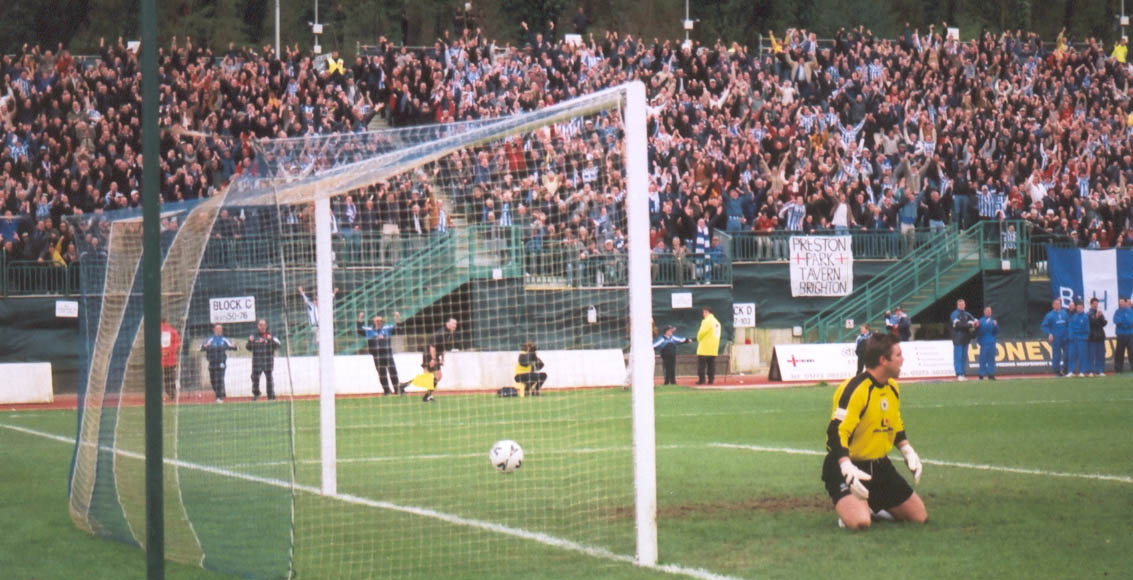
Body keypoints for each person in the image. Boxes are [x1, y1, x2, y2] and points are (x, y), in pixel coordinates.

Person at [822, 333, 927, 530]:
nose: (902, 360)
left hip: (880, 467)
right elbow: (836, 432)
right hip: (847, 466)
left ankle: (873, 505)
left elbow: (894, 424)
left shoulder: (893, 388)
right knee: (860, 523)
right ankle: (857, 510)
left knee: (919, 517)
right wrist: (846, 467)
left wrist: (907, 450)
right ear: (883, 360)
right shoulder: (855, 389)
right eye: (898, 355)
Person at [357, 310, 402, 395]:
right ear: (373, 321)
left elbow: (398, 329)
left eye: (380, 321)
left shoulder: (387, 328)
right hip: (376, 355)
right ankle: (387, 391)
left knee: (393, 372)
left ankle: (397, 390)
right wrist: (360, 318)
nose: (378, 322)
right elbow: (359, 329)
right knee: (382, 374)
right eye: (377, 321)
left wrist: (398, 317)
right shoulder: (369, 330)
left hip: (387, 354)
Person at [200, 323, 238, 402]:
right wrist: (205, 346)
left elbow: (234, 347)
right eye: (217, 329)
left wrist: (234, 346)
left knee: (219, 378)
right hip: (212, 362)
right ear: (214, 330)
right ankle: (219, 393)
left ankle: (219, 396)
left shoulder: (224, 339)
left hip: (221, 362)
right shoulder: (209, 339)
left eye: (220, 329)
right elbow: (201, 347)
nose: (219, 330)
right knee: (213, 380)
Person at [247, 319, 281, 400]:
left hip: (268, 360)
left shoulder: (271, 335)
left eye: (263, 325)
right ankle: (256, 393)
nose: (262, 327)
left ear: (266, 326)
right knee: (254, 378)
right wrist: (250, 341)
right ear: (258, 326)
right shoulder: (254, 336)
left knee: (269, 378)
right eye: (260, 325)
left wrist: (271, 339)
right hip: (257, 361)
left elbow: (277, 346)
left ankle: (271, 396)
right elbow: (248, 348)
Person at [1040, 299, 1070, 376]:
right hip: (1056, 338)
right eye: (1056, 304)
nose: (1057, 305)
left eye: (1059, 304)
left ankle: (1066, 369)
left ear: (1061, 305)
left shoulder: (1065, 313)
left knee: (1067, 354)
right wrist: (1049, 333)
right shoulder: (1049, 315)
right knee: (1057, 354)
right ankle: (1057, 370)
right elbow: (1044, 326)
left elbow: (1069, 324)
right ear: (1053, 305)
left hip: (1065, 337)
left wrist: (1069, 334)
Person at [949, 299, 978, 381]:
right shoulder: (955, 314)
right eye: (960, 304)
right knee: (958, 356)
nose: (962, 306)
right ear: (958, 305)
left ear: (965, 305)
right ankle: (958, 373)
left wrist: (972, 325)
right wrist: (968, 325)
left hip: (966, 338)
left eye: (963, 304)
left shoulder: (967, 314)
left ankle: (962, 373)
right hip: (958, 338)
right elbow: (957, 325)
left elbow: (975, 322)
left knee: (964, 356)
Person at [695, 307, 721, 385]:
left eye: (704, 313)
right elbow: (717, 335)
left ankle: (702, 380)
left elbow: (701, 333)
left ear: (707, 312)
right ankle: (711, 380)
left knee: (701, 365)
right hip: (713, 348)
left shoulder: (706, 321)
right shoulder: (717, 322)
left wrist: (698, 339)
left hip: (704, 347)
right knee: (711, 365)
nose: (703, 314)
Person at [160, 317, 182, 401]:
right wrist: (169, 351)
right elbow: (178, 344)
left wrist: (163, 352)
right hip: (171, 359)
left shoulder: (156, 331)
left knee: (163, 378)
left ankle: (166, 394)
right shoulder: (173, 331)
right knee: (171, 377)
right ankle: (172, 394)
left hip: (160, 359)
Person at [1086, 297, 1108, 376]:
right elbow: (1090, 324)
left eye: (1097, 304)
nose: (1096, 305)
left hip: (1100, 336)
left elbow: (1103, 324)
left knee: (1100, 354)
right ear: (1091, 304)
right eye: (1094, 304)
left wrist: (1103, 320)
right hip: (1092, 337)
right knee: (1091, 355)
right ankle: (1091, 371)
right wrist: (1096, 317)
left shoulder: (1099, 313)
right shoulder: (1088, 314)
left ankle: (1100, 370)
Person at [976, 307, 999, 380]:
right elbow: (978, 332)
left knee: (991, 359)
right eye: (987, 311)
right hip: (984, 342)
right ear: (984, 312)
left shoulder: (993, 321)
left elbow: (996, 332)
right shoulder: (981, 321)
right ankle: (981, 374)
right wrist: (980, 341)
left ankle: (991, 374)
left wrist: (995, 326)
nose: (989, 312)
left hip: (992, 342)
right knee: (983, 359)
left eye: (990, 311)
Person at [1067, 301, 1089, 377]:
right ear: (1076, 308)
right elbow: (1070, 327)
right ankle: (1071, 371)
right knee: (1071, 355)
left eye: (1081, 308)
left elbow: (1087, 329)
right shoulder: (1074, 316)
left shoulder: (1085, 317)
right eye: (1078, 308)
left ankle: (1082, 371)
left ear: (1083, 308)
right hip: (1073, 339)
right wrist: (1071, 336)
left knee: (1082, 355)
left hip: (1081, 339)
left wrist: (1084, 337)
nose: (1079, 309)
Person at [1113, 297, 1133, 373]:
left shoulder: (1130, 311)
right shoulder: (1117, 311)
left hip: (1130, 334)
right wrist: (1124, 322)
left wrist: (1123, 323)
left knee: (1131, 352)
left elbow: (1130, 321)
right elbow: (1116, 320)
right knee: (1119, 352)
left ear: (1125, 302)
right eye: (1119, 302)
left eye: (1122, 302)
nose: (1120, 303)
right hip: (1120, 334)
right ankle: (1118, 369)